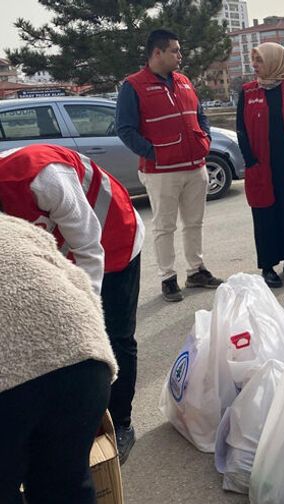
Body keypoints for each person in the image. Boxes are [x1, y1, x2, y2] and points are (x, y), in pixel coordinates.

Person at [0, 144, 144, 465]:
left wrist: (87, 314)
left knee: (112, 335)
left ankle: (120, 421)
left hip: (112, 239)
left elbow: (91, 250)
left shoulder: (42, 177)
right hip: (57, 251)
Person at [0, 213, 119, 503]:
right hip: (82, 363)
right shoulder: (13, 227)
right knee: (65, 484)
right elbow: (80, 284)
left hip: (10, 380)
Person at [117, 28, 223, 302]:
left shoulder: (184, 82)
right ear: (157, 53)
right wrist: (155, 153)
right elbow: (125, 130)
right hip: (161, 171)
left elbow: (200, 116)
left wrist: (205, 140)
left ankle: (196, 270)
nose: (180, 55)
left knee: (194, 222)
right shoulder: (133, 86)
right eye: (175, 50)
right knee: (165, 226)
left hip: (195, 166)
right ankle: (168, 278)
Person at [236, 43, 284, 289]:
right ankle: (268, 266)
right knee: (265, 213)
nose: (254, 65)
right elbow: (241, 129)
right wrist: (250, 160)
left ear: (274, 62)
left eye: (259, 60)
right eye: (255, 60)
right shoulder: (248, 92)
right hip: (261, 164)